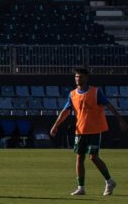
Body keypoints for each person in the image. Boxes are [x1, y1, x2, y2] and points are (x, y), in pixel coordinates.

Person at [48, 69, 121, 197]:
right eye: (76, 77)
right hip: (80, 131)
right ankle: (81, 187)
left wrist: (120, 119)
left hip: (94, 130)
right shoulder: (72, 94)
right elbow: (65, 111)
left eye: (80, 77)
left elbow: (109, 105)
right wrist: (55, 126)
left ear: (86, 78)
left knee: (93, 157)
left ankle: (109, 181)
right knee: (79, 158)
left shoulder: (95, 92)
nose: (78, 79)